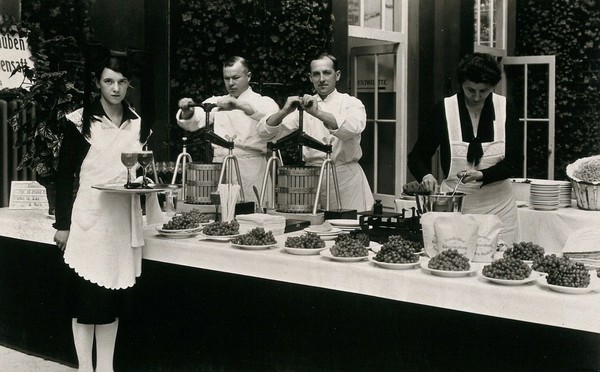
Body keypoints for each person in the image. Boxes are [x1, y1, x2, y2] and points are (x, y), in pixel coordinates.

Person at [52, 44, 155, 372]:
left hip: (119, 222)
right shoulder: (80, 122)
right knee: (86, 302)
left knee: (111, 299)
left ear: (128, 85)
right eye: (109, 81)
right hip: (89, 222)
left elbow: (139, 170)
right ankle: (85, 368)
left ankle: (106, 368)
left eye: (122, 82)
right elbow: (63, 176)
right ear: (98, 82)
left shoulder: (136, 123)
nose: (115, 89)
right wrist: (63, 225)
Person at [407, 52, 523, 244]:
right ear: (461, 84)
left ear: (492, 87)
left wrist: (483, 175)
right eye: (470, 90)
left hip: (499, 207)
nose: (476, 97)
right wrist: (425, 175)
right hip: (455, 207)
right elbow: (417, 156)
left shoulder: (505, 108)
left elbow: (515, 162)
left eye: (483, 91)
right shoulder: (444, 109)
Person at [257, 53, 374, 212]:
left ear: (337, 75)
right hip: (312, 181)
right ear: (310, 77)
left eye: (327, 73)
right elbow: (266, 134)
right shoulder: (304, 106)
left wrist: (317, 113)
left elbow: (352, 128)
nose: (321, 79)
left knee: (349, 229)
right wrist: (284, 111)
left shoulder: (351, 103)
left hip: (346, 180)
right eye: (316, 74)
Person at [175, 56, 280, 205]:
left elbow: (271, 120)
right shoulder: (217, 102)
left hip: (251, 171)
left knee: (253, 216)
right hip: (221, 169)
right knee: (221, 215)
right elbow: (196, 120)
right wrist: (187, 111)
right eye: (226, 78)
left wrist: (240, 105)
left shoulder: (263, 102)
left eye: (235, 78)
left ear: (248, 76)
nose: (230, 83)